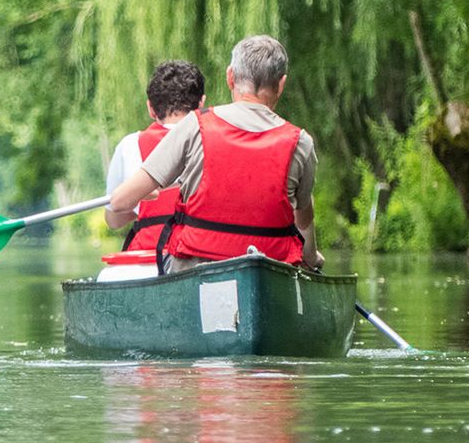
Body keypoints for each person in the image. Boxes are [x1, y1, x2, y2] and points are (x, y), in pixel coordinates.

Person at [109, 35, 323, 273]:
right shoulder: (301, 143)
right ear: (281, 84)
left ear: (230, 77)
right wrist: (311, 258)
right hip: (268, 272)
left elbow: (119, 202)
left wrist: (144, 195)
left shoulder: (195, 125)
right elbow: (303, 220)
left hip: (195, 271)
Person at [104, 60, 206, 251]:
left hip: (148, 257)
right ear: (201, 104)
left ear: (150, 108)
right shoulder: (215, 141)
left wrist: (136, 201)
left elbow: (114, 220)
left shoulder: (129, 145)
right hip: (200, 252)